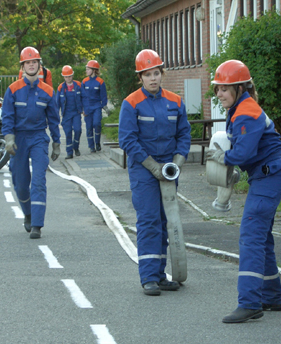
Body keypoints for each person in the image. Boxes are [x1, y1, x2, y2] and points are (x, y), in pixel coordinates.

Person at [207, 60, 281, 323]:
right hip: (270, 173)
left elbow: (243, 152)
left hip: (270, 175)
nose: (219, 94)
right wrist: (235, 167)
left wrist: (223, 158)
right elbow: (248, 152)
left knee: (251, 236)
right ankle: (271, 298)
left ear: (239, 87)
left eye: (224, 88)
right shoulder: (241, 109)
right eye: (217, 89)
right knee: (262, 238)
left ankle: (249, 303)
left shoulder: (245, 111)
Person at [118, 49, 191, 296]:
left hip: (169, 170)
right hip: (144, 170)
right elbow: (127, 140)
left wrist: (177, 162)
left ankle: (160, 275)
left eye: (156, 73)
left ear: (162, 73)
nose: (153, 78)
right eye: (147, 74)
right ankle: (148, 276)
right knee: (149, 220)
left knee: (165, 221)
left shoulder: (175, 101)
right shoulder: (131, 103)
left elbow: (184, 134)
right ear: (140, 77)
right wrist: (152, 166)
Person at [1, 46, 61, 239]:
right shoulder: (12, 90)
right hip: (19, 139)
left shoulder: (48, 92)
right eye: (28, 62)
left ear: (39, 65)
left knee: (38, 182)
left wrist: (56, 143)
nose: (31, 65)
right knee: (20, 183)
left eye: (34, 62)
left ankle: (37, 224)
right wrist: (9, 139)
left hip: (38, 139)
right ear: (23, 66)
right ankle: (27, 213)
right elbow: (7, 116)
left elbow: (53, 120)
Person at [56, 65, 83, 159]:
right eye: (66, 77)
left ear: (73, 75)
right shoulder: (61, 87)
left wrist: (84, 109)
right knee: (68, 133)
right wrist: (56, 115)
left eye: (70, 76)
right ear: (63, 77)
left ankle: (76, 147)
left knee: (78, 130)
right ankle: (69, 153)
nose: (68, 78)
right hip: (66, 114)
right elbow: (57, 103)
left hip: (76, 113)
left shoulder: (78, 85)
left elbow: (84, 98)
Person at [81, 60, 107, 153]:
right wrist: (82, 109)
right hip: (87, 108)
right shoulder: (84, 82)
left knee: (97, 124)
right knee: (89, 127)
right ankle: (91, 146)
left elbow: (104, 96)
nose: (86, 71)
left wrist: (102, 106)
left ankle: (97, 143)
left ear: (94, 70)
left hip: (96, 107)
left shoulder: (100, 82)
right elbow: (81, 96)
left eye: (88, 69)